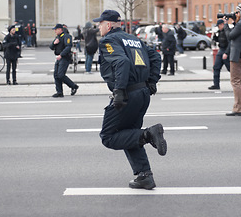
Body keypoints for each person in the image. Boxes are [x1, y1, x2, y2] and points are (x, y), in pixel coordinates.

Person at [94, 10, 166, 190]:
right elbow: (156, 56)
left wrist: (119, 91)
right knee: (128, 133)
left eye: (100, 24)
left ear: (108, 25)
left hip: (127, 94)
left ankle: (149, 134)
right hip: (142, 93)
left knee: (109, 137)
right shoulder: (133, 39)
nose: (98, 27)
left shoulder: (109, 40)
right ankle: (145, 176)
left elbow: (122, 62)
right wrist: (151, 81)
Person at [49, 23, 79, 97]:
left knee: (61, 75)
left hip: (65, 58)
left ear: (60, 29)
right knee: (56, 75)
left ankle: (73, 86)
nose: (55, 31)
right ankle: (59, 92)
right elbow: (51, 47)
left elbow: (68, 47)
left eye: (56, 30)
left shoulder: (67, 36)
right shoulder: (58, 37)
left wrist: (61, 55)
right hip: (59, 58)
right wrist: (54, 43)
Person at [209, 19, 230, 90]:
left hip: (226, 51)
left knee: (230, 69)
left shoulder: (227, 31)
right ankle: (216, 84)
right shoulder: (220, 32)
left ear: (222, 25)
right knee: (216, 67)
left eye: (218, 26)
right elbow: (219, 40)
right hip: (221, 50)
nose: (218, 27)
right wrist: (214, 36)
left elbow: (230, 43)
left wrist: (227, 53)